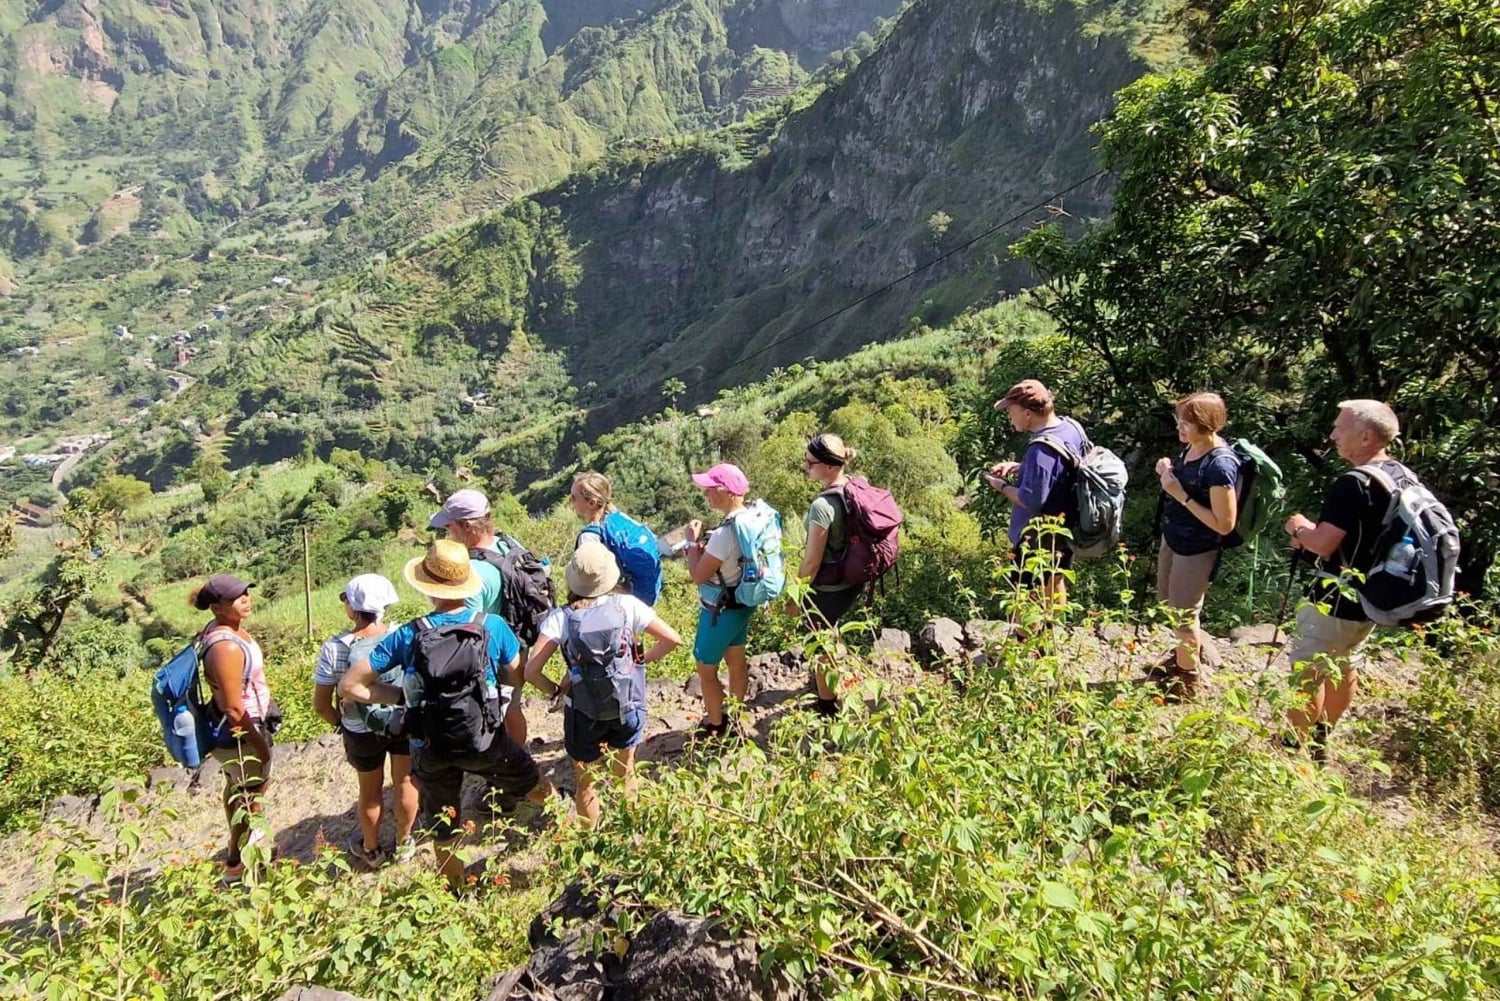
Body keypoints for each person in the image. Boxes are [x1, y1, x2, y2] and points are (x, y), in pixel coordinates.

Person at [339, 540, 555, 890]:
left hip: (430, 743)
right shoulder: (492, 625)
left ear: (427, 587)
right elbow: (516, 675)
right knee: (531, 780)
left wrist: (401, 699)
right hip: (483, 736)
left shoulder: (409, 633)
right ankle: (566, 830)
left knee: (443, 822)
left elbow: (350, 685)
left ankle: (456, 889)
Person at [525, 541, 682, 826]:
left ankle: (591, 840)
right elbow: (672, 639)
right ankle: (630, 834)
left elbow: (531, 671)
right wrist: (639, 660)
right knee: (627, 770)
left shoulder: (561, 618)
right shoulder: (627, 605)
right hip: (627, 704)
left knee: (586, 782)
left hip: (582, 712)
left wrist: (556, 691)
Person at [1282, 399, 1407, 756]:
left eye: (1340, 427)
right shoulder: (1398, 475)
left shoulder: (1354, 484)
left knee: (1308, 671)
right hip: (1373, 595)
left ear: (1365, 436)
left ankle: (1294, 750)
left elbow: (1322, 544)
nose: (1333, 434)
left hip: (1335, 593)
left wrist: (1299, 528)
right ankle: (1322, 736)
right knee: (1344, 663)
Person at [312, 573, 417, 868]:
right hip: (401, 719)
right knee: (405, 782)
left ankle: (371, 850)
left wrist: (339, 723)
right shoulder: (403, 635)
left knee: (369, 791)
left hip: (360, 729)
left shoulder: (336, 648)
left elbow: (321, 704)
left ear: (353, 608)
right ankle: (405, 841)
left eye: (345, 599)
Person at [1152, 392, 1240, 695]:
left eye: (1186, 422)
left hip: (1197, 549)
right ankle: (1183, 658)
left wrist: (1181, 495)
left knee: (1184, 614)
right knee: (1169, 605)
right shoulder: (1193, 448)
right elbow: (1182, 482)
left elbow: (1225, 524)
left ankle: (1187, 683)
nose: (1179, 427)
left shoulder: (1220, 465)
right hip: (1174, 539)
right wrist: (1168, 470)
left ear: (1205, 424)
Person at [191, 573, 276, 882]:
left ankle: (239, 855)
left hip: (242, 725)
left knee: (238, 788)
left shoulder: (228, 631)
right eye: (236, 598)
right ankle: (239, 863)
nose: (245, 600)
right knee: (252, 796)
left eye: (246, 593)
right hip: (240, 731)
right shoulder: (224, 647)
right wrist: (260, 745)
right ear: (216, 607)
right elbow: (233, 707)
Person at [430, 489, 529, 747]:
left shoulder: (473, 573)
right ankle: (520, 759)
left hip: (493, 657)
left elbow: (464, 625)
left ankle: (508, 769)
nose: (448, 533)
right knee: (513, 709)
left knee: (492, 716)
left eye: (450, 527)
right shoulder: (508, 544)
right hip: (520, 645)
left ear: (467, 527)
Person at [982, 379, 1087, 607]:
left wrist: (1001, 486)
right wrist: (1021, 467)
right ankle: (1052, 635)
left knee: (1024, 593)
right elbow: (1062, 466)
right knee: (1054, 580)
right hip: (1065, 528)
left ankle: (1022, 640)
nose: (1010, 417)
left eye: (1011, 412)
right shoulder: (1070, 428)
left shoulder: (1039, 449)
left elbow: (1031, 500)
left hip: (1038, 536)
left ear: (1027, 413)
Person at [791, 434, 862, 718]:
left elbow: (811, 561)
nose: (806, 467)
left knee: (818, 641)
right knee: (830, 633)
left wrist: (796, 596)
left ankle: (827, 706)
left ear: (830, 466)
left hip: (830, 585)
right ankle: (838, 680)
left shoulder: (822, 506)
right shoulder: (854, 486)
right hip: (852, 579)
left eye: (810, 463)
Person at [683, 463, 754, 737]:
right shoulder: (750, 519)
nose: (706, 494)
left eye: (709, 489)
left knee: (705, 667)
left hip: (720, 610)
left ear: (724, 492)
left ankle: (716, 725)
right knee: (736, 659)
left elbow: (699, 576)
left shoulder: (725, 534)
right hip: (742, 602)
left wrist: (691, 543)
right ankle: (736, 717)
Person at [569, 472, 664, 605]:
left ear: (591, 503)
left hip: (613, 605)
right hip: (642, 600)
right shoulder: (621, 519)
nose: (570, 501)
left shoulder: (590, 537)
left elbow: (588, 581)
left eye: (573, 497)